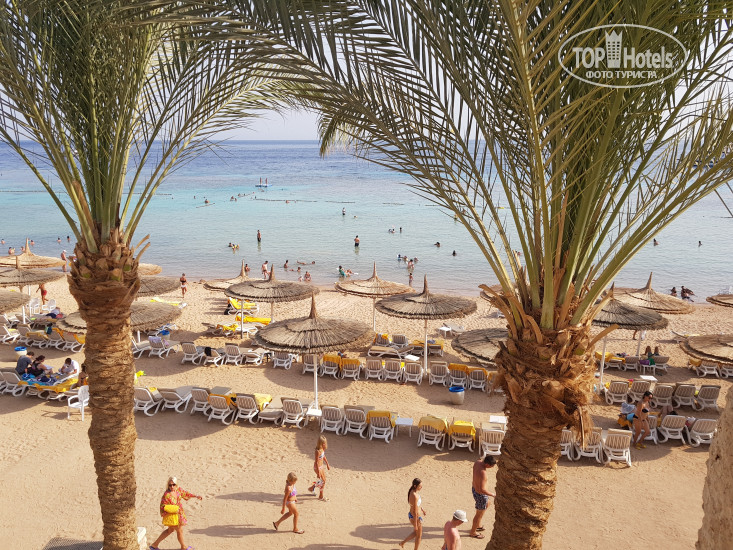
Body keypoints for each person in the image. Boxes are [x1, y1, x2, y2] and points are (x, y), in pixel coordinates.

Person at [149, 476, 202, 550]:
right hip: (173, 515)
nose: (172, 486)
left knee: (170, 530)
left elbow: (186, 494)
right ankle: (183, 547)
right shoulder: (166, 494)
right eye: (170, 485)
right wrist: (173, 509)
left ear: (176, 484)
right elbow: (163, 506)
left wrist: (196, 496)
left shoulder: (178, 490)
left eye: (173, 484)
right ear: (168, 485)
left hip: (179, 514)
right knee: (180, 530)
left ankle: (154, 545)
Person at [470, 455, 496, 539]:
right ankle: (473, 532)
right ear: (487, 464)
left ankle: (478, 525)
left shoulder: (477, 462)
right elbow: (482, 490)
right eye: (492, 466)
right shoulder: (483, 473)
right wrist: (493, 495)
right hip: (480, 495)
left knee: (488, 503)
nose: (492, 467)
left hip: (474, 489)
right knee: (478, 514)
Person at [399, 478, 425, 549]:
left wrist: (422, 509)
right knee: (419, 536)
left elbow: (415, 505)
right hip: (416, 517)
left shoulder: (412, 491)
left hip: (411, 515)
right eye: (420, 486)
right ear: (415, 486)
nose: (421, 487)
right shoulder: (415, 496)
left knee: (416, 533)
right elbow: (415, 512)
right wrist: (416, 525)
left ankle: (402, 543)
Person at [308, 435, 331, 501]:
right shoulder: (317, 451)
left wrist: (327, 464)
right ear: (320, 443)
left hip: (321, 467)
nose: (325, 444)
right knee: (323, 481)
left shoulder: (322, 449)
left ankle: (312, 488)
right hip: (317, 467)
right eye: (323, 443)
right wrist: (318, 472)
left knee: (322, 481)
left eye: (325, 443)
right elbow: (316, 462)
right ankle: (321, 496)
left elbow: (323, 456)